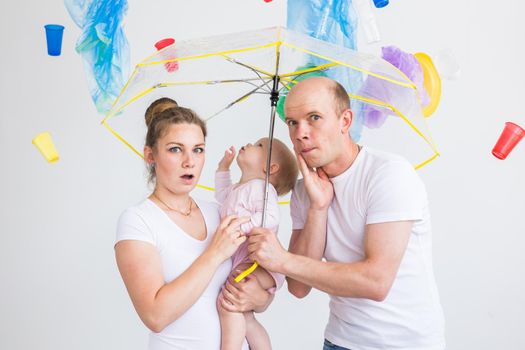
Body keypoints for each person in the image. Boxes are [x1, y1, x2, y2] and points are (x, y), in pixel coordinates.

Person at [246, 77, 446, 350]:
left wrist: (282, 260)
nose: (300, 133)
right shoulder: (305, 192)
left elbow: (376, 282)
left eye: (314, 118)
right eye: (292, 122)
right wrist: (318, 208)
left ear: (345, 121)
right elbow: (298, 287)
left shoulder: (388, 174)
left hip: (405, 344)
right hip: (340, 341)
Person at [115, 101, 274, 350]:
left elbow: (249, 288)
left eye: (198, 150)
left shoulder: (217, 212)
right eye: (176, 149)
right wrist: (215, 253)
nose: (189, 161)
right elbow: (155, 316)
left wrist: (260, 298)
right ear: (150, 155)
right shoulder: (138, 221)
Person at [214, 137, 298, 350]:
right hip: (247, 260)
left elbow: (270, 218)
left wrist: (239, 230)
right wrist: (223, 167)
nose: (250, 144)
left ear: (270, 167)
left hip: (258, 263)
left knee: (228, 304)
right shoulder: (239, 188)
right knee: (246, 317)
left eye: (259, 146)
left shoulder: (262, 188)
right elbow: (221, 194)